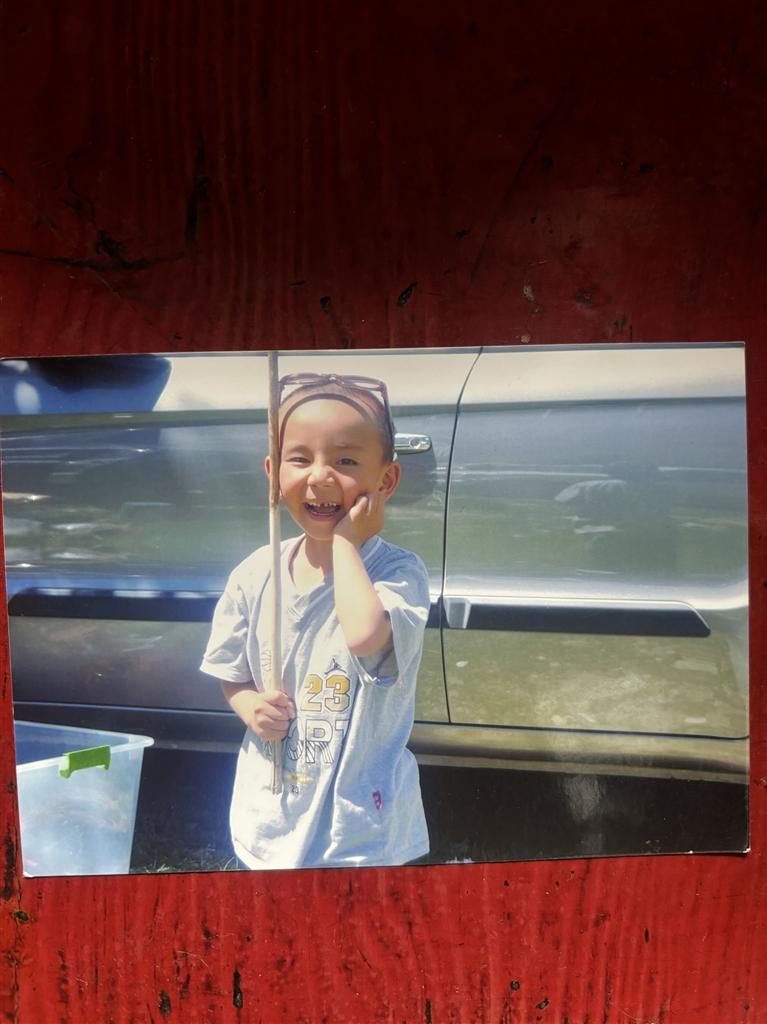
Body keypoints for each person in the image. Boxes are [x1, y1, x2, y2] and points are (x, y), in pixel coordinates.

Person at [200, 372, 430, 869]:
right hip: (272, 814)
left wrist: (347, 542)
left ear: (386, 481)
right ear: (273, 473)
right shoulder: (255, 574)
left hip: (361, 829)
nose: (320, 476)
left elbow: (366, 636)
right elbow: (230, 672)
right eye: (300, 458)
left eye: (346, 461)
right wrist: (249, 706)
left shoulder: (398, 573)